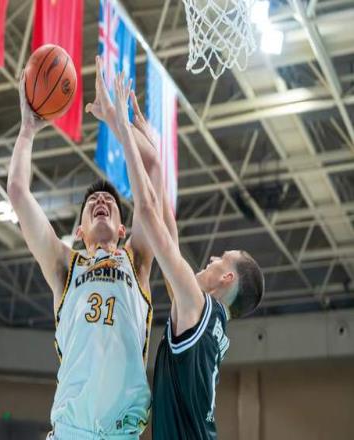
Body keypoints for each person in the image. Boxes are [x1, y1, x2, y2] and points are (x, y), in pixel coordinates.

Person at [7, 56, 172, 440]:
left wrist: (122, 125)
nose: (101, 201)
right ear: (79, 230)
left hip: (121, 432)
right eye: (93, 202)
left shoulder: (137, 260)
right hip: (71, 431)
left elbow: (152, 183)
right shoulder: (64, 266)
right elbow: (17, 192)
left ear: (123, 228)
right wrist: (27, 130)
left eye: (110, 201)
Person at [110, 72, 264, 440]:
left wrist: (121, 128)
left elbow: (148, 215)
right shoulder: (208, 321)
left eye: (220, 259)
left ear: (227, 278)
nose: (211, 259)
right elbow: (168, 236)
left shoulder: (199, 308)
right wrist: (155, 162)